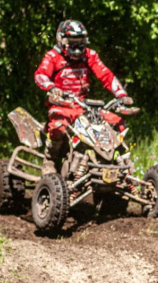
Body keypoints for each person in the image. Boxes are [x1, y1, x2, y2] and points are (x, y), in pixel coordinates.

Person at [34, 20, 133, 173]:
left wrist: (121, 95)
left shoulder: (89, 55)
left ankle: (119, 163)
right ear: (61, 40)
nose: (78, 49)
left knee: (118, 123)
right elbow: (40, 75)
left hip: (83, 107)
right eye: (72, 43)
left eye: (81, 43)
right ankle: (50, 160)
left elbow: (106, 75)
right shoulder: (53, 56)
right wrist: (52, 88)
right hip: (61, 105)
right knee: (59, 125)